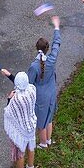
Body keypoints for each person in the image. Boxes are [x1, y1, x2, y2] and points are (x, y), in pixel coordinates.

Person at [27, 16, 62, 148]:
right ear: (47, 49)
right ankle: (48, 140)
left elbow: (29, 84)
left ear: (37, 48)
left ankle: (42, 143)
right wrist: (56, 27)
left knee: (41, 120)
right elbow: (57, 44)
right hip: (51, 91)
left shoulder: (34, 66)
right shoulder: (52, 59)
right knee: (49, 117)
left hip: (40, 96)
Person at [3, 71, 37, 168]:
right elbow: (22, 86)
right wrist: (9, 75)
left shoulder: (16, 99)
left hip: (21, 129)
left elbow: (8, 112)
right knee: (31, 147)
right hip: (31, 125)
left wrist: (9, 99)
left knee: (20, 152)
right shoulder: (32, 90)